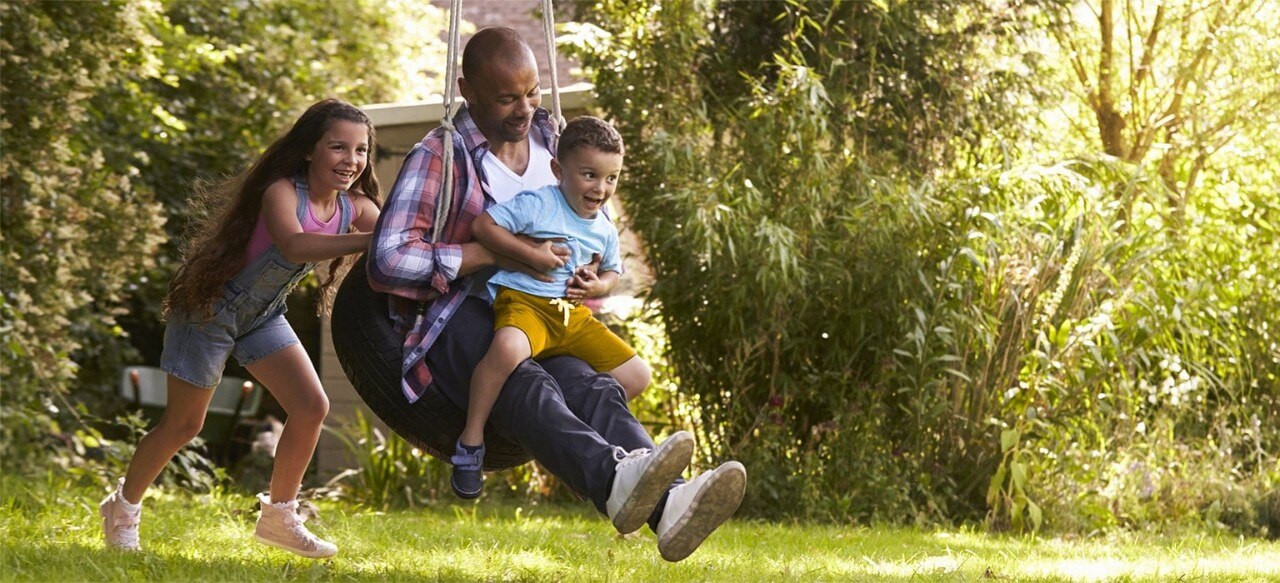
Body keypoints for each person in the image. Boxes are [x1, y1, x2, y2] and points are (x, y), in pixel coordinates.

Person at [368, 26, 747, 562]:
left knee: (596, 389)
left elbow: (591, 225)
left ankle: (671, 506)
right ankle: (617, 479)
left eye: (532, 92)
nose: (524, 109)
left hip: (547, 310)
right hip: (462, 312)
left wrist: (591, 274)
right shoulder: (442, 155)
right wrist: (499, 254)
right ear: (467, 90)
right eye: (506, 97)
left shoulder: (555, 137)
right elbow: (387, 259)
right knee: (526, 383)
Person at [98, 99, 382, 559]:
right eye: (338, 147)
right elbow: (294, 244)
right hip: (210, 312)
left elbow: (406, 230)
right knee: (184, 425)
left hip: (262, 315)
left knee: (311, 406)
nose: (351, 160)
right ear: (310, 150)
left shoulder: (356, 208)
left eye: (361, 151)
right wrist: (375, 238)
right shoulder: (283, 193)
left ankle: (279, 518)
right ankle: (122, 509)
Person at [451, 116, 650, 499]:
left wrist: (599, 283)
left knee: (637, 376)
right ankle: (471, 440)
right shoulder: (539, 204)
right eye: (590, 175)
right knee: (507, 350)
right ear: (558, 169)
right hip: (525, 303)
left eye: (612, 178)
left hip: (570, 315)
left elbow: (612, 270)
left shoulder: (604, 226)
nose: (601, 188)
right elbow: (484, 227)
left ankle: (584, 451)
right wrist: (530, 254)